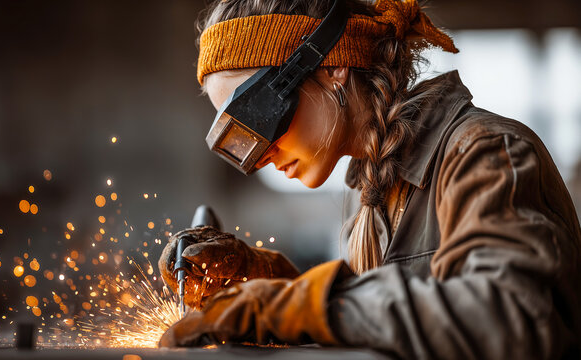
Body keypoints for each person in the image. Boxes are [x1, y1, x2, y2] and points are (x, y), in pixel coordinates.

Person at [158, 0, 581, 358]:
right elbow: (396, 323)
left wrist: (297, 306)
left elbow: (510, 320)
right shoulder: (380, 191)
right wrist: (260, 283)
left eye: (256, 118)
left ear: (332, 66)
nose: (258, 156)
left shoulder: (481, 153)